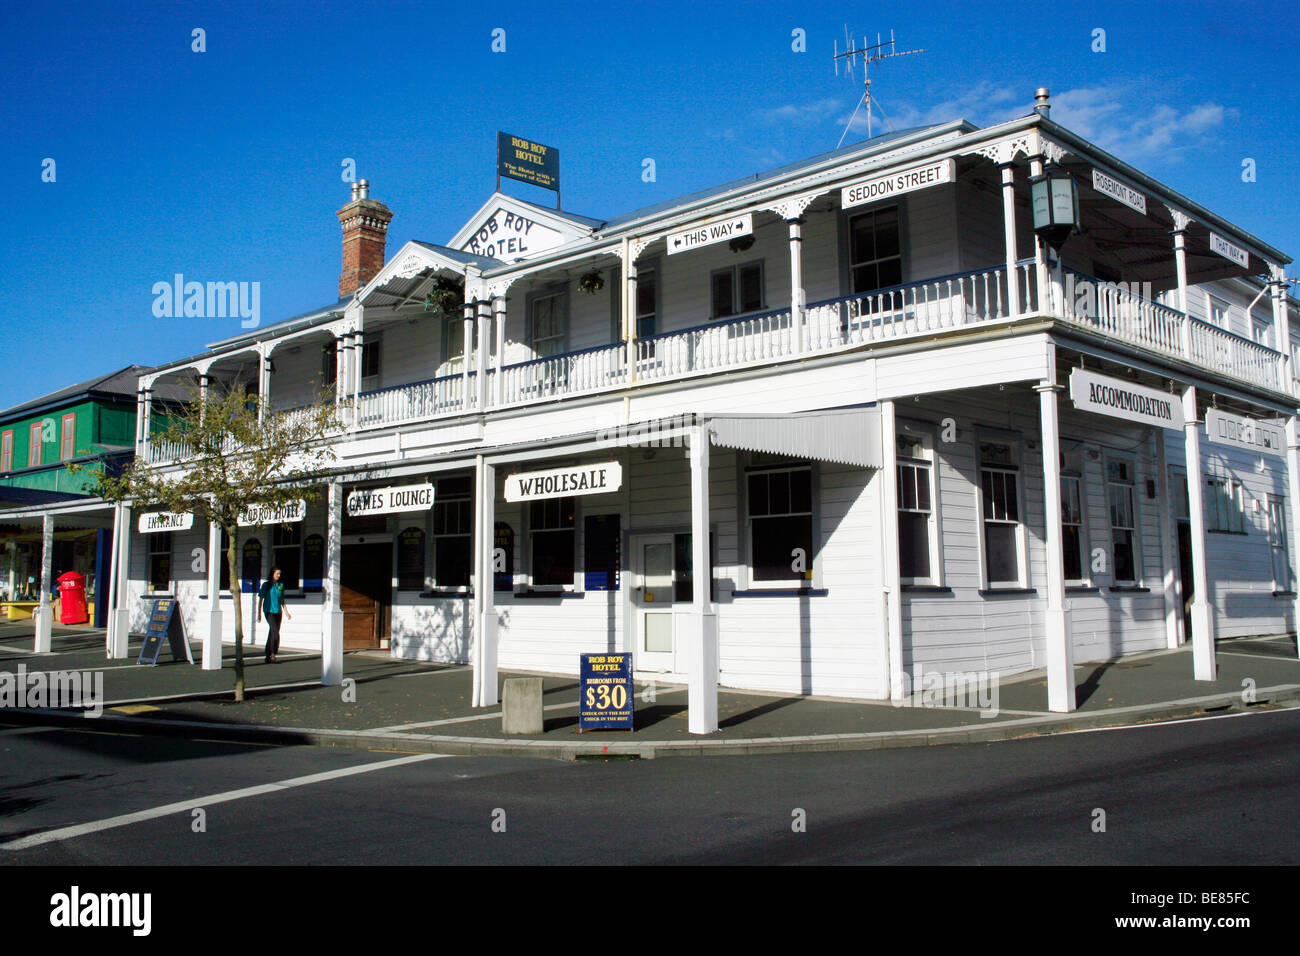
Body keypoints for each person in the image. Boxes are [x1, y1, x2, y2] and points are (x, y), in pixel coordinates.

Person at [257, 566, 291, 663]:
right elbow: (260, 599)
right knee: (275, 632)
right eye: (277, 574)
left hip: (278, 612)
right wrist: (259, 613)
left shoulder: (280, 585)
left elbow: (282, 599)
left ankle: (268, 655)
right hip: (268, 611)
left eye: (280, 574)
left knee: (272, 632)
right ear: (272, 574)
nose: (279, 576)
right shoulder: (266, 585)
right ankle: (272, 653)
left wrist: (286, 612)